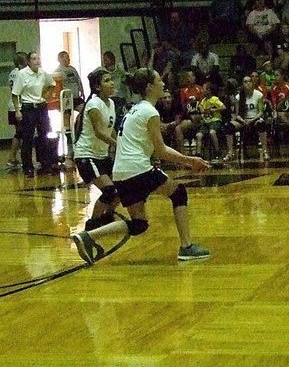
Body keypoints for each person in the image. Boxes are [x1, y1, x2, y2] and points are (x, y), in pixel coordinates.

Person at [71, 68, 211, 265]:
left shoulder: (135, 109)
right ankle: (187, 247)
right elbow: (161, 150)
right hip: (136, 169)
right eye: (159, 81)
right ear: (149, 87)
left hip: (121, 172)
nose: (163, 84)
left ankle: (89, 236)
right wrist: (191, 160)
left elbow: (143, 143)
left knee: (139, 224)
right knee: (179, 193)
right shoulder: (149, 111)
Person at [73, 68, 119, 231]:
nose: (112, 83)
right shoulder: (93, 104)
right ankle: (91, 226)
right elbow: (99, 132)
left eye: (111, 79)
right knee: (109, 190)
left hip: (102, 155)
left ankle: (107, 217)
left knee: (121, 187)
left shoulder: (111, 103)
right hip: (87, 155)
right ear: (97, 87)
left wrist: (120, 140)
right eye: (107, 80)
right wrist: (118, 146)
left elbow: (110, 128)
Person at [11, 52, 58, 177]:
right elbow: (15, 94)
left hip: (41, 107)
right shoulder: (22, 74)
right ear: (28, 61)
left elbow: (52, 83)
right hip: (28, 107)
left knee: (44, 136)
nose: (37, 61)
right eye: (34, 59)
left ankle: (45, 164)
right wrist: (17, 110)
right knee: (27, 138)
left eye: (38, 58)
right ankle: (28, 167)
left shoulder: (42, 73)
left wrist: (47, 95)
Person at [223, 75, 271, 163]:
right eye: (245, 82)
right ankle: (230, 152)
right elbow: (237, 114)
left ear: (252, 83)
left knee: (261, 125)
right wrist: (242, 120)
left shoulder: (258, 95)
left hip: (255, 118)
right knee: (229, 127)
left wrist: (252, 120)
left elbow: (261, 112)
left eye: (249, 81)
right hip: (243, 119)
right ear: (242, 84)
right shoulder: (239, 97)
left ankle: (265, 151)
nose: (247, 83)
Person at [5, 52, 28, 168]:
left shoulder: (12, 73)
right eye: (25, 60)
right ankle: (12, 157)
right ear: (20, 63)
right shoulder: (21, 74)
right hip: (18, 106)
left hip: (12, 106)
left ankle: (15, 157)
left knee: (19, 132)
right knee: (20, 133)